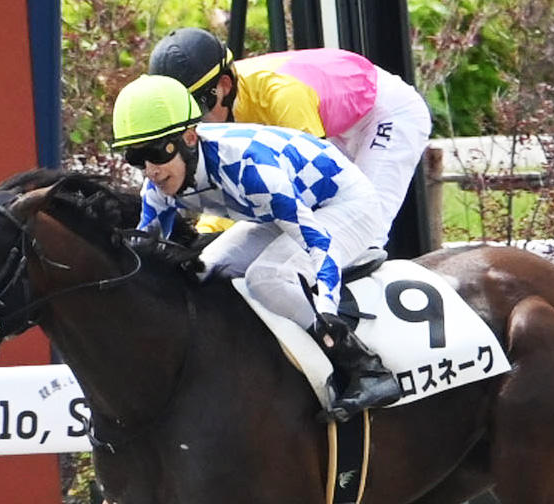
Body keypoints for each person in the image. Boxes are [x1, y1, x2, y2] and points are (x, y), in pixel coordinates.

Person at [111, 73, 402, 421]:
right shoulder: (157, 188)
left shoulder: (250, 170)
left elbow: (318, 242)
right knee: (203, 271)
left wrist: (327, 308)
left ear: (189, 138)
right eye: (136, 157)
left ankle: (365, 368)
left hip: (347, 206)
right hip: (277, 213)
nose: (150, 171)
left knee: (267, 278)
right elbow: (142, 258)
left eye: (156, 153)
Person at [147, 28, 432, 246]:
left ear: (224, 85)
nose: (194, 125)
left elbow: (309, 186)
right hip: (331, 117)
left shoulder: (282, 97)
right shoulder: (225, 103)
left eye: (198, 108)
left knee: (361, 228)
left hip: (385, 113)